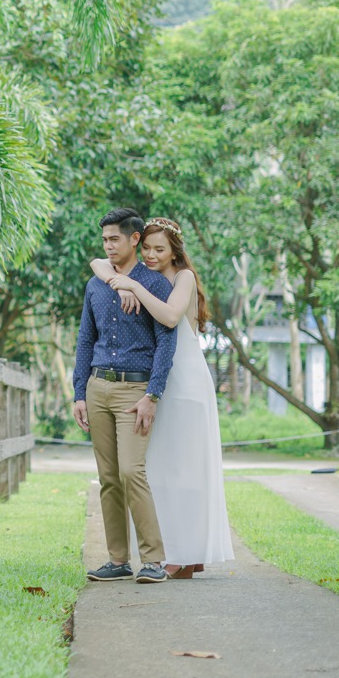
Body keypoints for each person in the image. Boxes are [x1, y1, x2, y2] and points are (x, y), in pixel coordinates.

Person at [91, 217, 235, 578]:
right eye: (148, 249)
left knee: (184, 470)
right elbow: (97, 263)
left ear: (175, 251)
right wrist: (118, 280)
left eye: (160, 249)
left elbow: (170, 317)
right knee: (156, 470)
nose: (152, 255)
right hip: (156, 381)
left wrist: (132, 288)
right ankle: (174, 551)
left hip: (184, 383)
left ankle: (184, 552)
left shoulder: (181, 278)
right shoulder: (138, 277)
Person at [73, 208, 177, 584]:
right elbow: (86, 339)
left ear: (134, 239)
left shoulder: (156, 284)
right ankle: (118, 559)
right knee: (109, 477)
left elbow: (168, 342)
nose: (108, 246)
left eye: (114, 238)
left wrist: (153, 394)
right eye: (104, 240)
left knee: (132, 471)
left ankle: (154, 559)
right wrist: (79, 392)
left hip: (135, 389)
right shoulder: (96, 284)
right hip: (97, 386)